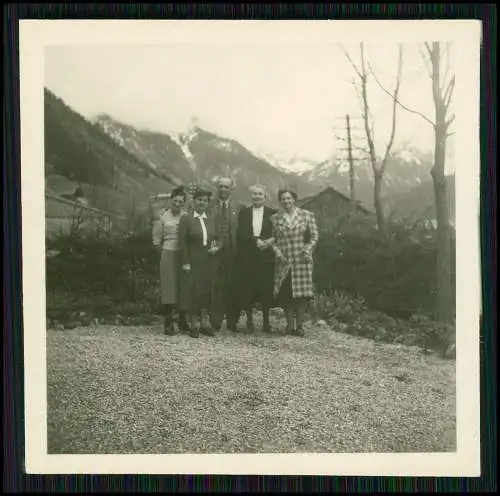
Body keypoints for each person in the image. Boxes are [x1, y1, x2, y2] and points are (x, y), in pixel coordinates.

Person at [270, 188, 319, 337]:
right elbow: (273, 239)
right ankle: (289, 325)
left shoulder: (306, 215)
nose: (286, 201)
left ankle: (300, 326)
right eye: (283, 199)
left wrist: (307, 249)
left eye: (289, 198)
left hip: (302, 260)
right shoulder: (275, 218)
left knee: (302, 294)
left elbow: (315, 236)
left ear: (294, 199)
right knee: (286, 293)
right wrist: (277, 251)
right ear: (280, 201)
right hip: (284, 261)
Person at [178, 187, 221, 338]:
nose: (202, 203)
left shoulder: (211, 218)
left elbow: (219, 237)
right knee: (193, 292)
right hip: (193, 260)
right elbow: (181, 243)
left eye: (205, 200)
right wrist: (185, 262)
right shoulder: (187, 219)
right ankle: (194, 325)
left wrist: (217, 247)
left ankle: (204, 324)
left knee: (206, 292)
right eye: (199, 200)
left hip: (208, 260)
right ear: (193, 201)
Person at [235, 184, 276, 333]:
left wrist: (268, 241)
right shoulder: (244, 213)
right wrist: (254, 240)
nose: (257, 196)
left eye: (260, 194)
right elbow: (241, 233)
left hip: (266, 257)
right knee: (248, 288)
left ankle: (266, 322)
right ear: (251, 196)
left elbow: (277, 233)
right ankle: (250, 322)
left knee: (265, 288)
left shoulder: (273, 213)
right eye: (255, 194)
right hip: (249, 256)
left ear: (265, 197)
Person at [152, 186, 189, 335]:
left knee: (182, 285)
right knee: (169, 286)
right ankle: (168, 321)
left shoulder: (187, 216)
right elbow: (156, 240)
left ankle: (182, 319)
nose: (178, 204)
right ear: (170, 200)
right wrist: (162, 254)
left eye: (181, 201)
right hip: (167, 252)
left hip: (183, 254)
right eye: (176, 201)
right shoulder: (162, 216)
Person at [207, 176, 242, 332]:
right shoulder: (209, 206)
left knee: (233, 285)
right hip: (214, 251)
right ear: (217, 187)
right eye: (220, 186)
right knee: (216, 285)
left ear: (231, 189)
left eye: (226, 187)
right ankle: (215, 320)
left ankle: (233, 321)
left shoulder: (239, 207)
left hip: (233, 252)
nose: (223, 189)